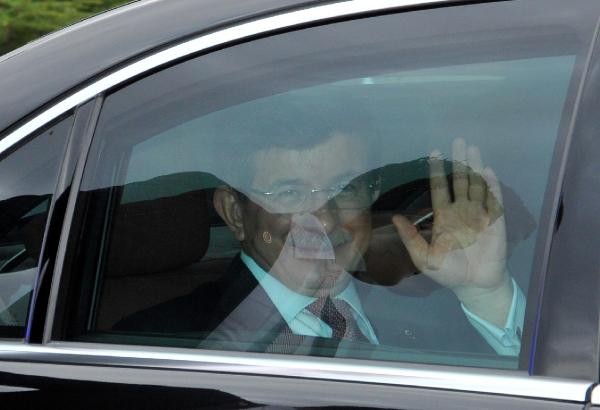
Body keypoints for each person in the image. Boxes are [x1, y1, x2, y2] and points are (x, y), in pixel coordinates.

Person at [117, 96, 525, 357]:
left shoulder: (437, 318)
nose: (325, 219)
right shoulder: (157, 346)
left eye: (345, 189)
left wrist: (485, 293)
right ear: (235, 213)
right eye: (289, 192)